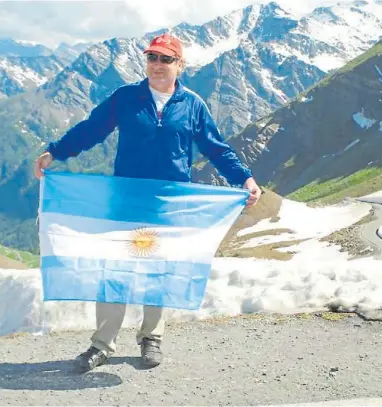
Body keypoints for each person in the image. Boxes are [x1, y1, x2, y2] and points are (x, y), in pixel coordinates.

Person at [34, 32, 262, 372]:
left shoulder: (193, 106)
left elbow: (216, 148)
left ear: (180, 65)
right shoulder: (126, 98)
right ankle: (102, 344)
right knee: (114, 269)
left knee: (158, 268)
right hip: (125, 200)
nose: (157, 65)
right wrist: (56, 150)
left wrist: (244, 177)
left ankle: (151, 337)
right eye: (152, 58)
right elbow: (92, 129)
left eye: (165, 59)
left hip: (169, 203)